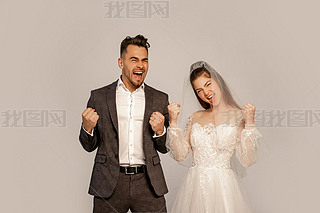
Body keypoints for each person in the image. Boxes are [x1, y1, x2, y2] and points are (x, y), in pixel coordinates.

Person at [79, 34, 169, 213]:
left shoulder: (160, 98)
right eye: (134, 59)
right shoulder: (99, 97)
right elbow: (89, 146)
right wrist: (87, 127)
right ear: (121, 63)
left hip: (148, 183)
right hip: (109, 182)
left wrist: (160, 131)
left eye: (145, 60)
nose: (140, 65)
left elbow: (165, 147)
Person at [166, 61, 262, 213]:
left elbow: (247, 159)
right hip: (195, 186)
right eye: (199, 90)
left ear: (218, 82)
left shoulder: (239, 116)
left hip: (223, 188)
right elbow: (180, 155)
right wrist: (172, 122)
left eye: (208, 84)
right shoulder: (195, 117)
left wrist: (250, 123)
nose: (206, 93)